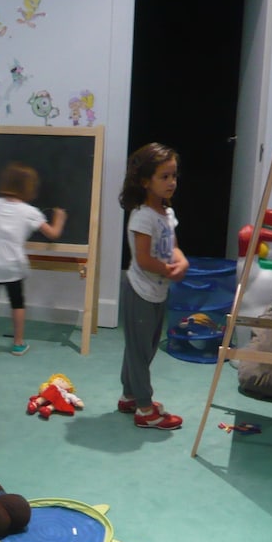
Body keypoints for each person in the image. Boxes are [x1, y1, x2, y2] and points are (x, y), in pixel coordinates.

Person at [117, 143, 190, 429]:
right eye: (164, 176)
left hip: (158, 291)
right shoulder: (143, 216)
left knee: (145, 348)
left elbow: (173, 247)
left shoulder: (166, 212)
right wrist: (168, 270)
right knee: (139, 351)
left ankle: (130, 396)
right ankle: (145, 409)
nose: (172, 182)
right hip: (140, 292)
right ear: (146, 181)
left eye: (174, 176)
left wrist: (181, 261)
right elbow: (144, 258)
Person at [0, 162, 65, 359]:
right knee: (17, 303)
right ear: (28, 187)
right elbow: (53, 234)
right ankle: (18, 344)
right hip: (12, 265)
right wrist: (60, 218)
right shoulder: (29, 212)